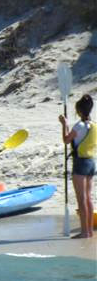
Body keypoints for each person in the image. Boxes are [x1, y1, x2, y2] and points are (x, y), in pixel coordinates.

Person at [60, 93, 94, 239]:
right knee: (88, 198)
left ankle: (85, 232)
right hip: (91, 162)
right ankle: (90, 231)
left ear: (79, 111)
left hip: (80, 163)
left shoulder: (79, 125)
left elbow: (66, 140)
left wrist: (64, 125)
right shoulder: (93, 125)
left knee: (81, 199)